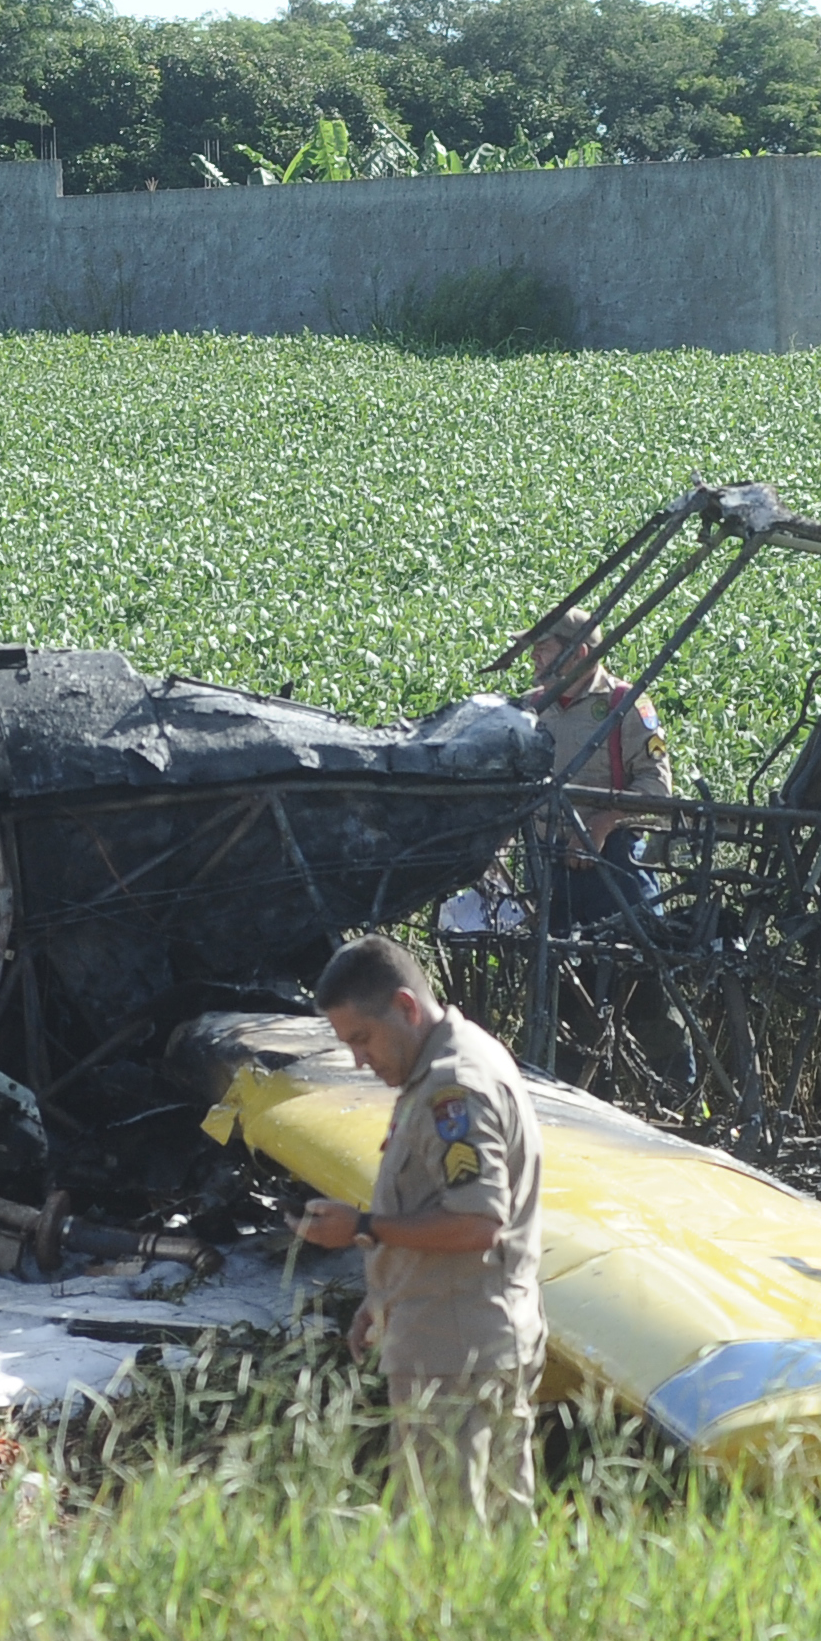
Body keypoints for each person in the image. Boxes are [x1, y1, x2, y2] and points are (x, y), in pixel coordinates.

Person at [294, 933, 548, 1517]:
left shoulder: (451, 1087)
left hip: (455, 1352)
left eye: (363, 1038)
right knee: (502, 1537)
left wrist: (362, 1227)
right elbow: (433, 1202)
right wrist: (380, 1298)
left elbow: (480, 1223)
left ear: (406, 1007)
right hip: (469, 1333)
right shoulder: (450, 1059)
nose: (360, 1059)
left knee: (445, 1545)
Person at [521, 610, 673, 930]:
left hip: (615, 862)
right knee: (550, 969)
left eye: (543, 648)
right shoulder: (529, 708)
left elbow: (656, 785)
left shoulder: (626, 704)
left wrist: (600, 825)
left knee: (637, 959)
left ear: (578, 654)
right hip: (544, 862)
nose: (533, 656)